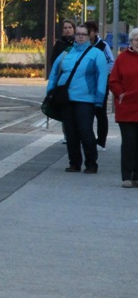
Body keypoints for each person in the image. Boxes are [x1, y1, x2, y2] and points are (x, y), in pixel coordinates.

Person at [46, 23, 108, 174]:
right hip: (66, 99)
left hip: (86, 100)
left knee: (85, 131)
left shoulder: (96, 54)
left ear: (89, 36)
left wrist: (99, 99)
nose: (80, 37)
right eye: (78, 34)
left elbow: (102, 77)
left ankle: (91, 163)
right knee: (71, 132)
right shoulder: (67, 52)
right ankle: (74, 163)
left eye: (83, 34)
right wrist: (49, 93)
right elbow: (54, 73)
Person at [108, 28, 138, 187]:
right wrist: (120, 94)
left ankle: (137, 177)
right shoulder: (122, 58)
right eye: (136, 40)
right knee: (129, 143)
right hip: (127, 107)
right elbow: (113, 81)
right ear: (131, 41)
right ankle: (127, 176)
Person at [85, 20, 114, 147]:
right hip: (86, 84)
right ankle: (87, 139)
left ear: (95, 32)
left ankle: (101, 141)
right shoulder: (82, 45)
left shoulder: (103, 45)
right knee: (86, 112)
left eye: (90, 31)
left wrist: (102, 74)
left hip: (101, 85)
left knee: (100, 112)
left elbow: (111, 62)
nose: (87, 34)